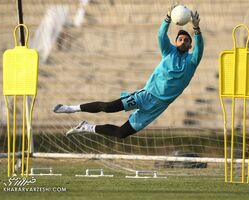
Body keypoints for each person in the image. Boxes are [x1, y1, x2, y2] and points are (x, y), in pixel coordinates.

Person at [53, 4, 204, 138]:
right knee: (108, 107)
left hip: (159, 106)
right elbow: (160, 35)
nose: (183, 41)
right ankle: (71, 108)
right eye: (180, 39)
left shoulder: (191, 62)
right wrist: (167, 19)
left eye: (186, 40)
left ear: (190, 45)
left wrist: (196, 29)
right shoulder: (168, 52)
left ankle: (86, 127)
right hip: (146, 95)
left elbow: (200, 48)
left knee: (121, 133)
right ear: (176, 42)